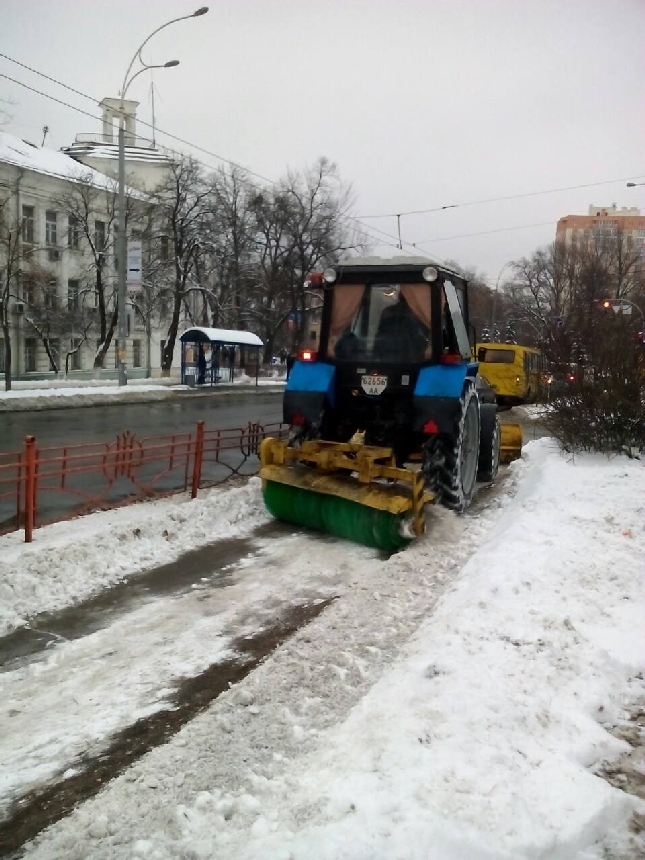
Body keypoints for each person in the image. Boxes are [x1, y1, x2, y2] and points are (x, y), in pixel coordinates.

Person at [374, 295, 428, 362]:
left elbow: (380, 333)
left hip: (390, 352)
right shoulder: (415, 313)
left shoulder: (388, 311)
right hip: (406, 353)